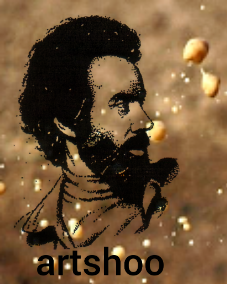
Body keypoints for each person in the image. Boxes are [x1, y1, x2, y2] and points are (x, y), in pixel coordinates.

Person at [16, 16, 177, 249]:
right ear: (66, 123)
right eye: (121, 104)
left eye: (140, 101)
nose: (146, 122)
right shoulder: (34, 233)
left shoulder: (162, 211)